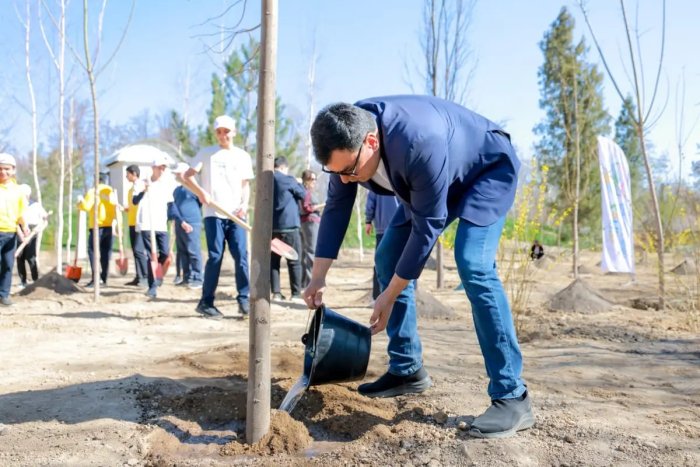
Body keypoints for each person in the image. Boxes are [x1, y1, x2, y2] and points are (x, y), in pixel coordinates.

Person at [305, 95, 532, 439]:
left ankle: (512, 395)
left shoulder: (418, 141)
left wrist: (389, 296)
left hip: (486, 172)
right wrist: (318, 276)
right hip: (437, 178)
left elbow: (428, 228)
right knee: (386, 256)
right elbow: (337, 208)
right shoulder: (346, 137)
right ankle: (407, 369)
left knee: (473, 264)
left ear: (371, 141)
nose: (347, 180)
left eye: (350, 170)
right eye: (337, 173)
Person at [183, 115, 254, 319]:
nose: (223, 135)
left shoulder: (242, 156)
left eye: (226, 131)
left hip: (236, 216)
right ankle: (206, 303)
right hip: (213, 213)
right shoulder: (206, 154)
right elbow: (186, 176)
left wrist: (243, 205)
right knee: (215, 256)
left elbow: (245, 184)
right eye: (219, 131)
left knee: (241, 256)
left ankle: (244, 299)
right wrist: (201, 192)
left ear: (234, 132)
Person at [132, 155, 174, 299]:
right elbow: (134, 201)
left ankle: (158, 275)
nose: (162, 170)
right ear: (153, 168)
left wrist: (179, 220)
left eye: (164, 167)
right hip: (146, 224)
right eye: (160, 167)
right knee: (152, 256)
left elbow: (170, 204)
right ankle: (152, 286)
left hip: (161, 224)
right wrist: (144, 190)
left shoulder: (166, 184)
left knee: (165, 253)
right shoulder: (142, 183)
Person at [270, 156, 305, 301]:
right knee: (294, 260)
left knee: (274, 262)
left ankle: (276, 293)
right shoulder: (289, 179)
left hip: (272, 228)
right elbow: (303, 194)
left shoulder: (267, 180)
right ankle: (296, 293)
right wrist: (299, 183)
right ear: (284, 167)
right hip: (289, 227)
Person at [77, 172, 117, 287]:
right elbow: (115, 208)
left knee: (92, 251)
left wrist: (80, 203)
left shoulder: (93, 191)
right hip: (108, 226)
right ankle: (103, 279)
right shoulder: (110, 192)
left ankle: (95, 279)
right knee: (105, 253)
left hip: (96, 226)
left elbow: (86, 207)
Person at [169, 162, 203, 289]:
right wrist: (180, 221)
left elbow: (200, 203)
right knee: (182, 251)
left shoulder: (194, 188)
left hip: (192, 222)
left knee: (193, 251)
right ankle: (187, 277)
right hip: (179, 223)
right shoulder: (177, 191)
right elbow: (173, 206)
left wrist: (189, 220)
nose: (176, 176)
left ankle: (197, 277)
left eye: (178, 173)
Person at [0, 153, 28, 306]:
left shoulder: (18, 191)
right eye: (0, 169)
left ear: (13, 170)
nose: (3, 172)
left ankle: (3, 295)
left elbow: (21, 212)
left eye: (6, 169)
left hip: (10, 233)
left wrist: (24, 226)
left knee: (8, 265)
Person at [364, 191, 400, 302]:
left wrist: (368, 220)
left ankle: (377, 297)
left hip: (383, 228)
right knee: (402, 263)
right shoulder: (404, 175)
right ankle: (400, 297)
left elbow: (371, 201)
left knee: (380, 264)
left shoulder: (377, 179)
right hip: (402, 227)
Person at [16, 184, 48, 288]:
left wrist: (39, 228)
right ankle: (23, 281)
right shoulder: (17, 205)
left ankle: (35, 280)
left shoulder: (36, 205)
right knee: (20, 257)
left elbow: (44, 219)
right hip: (19, 230)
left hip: (32, 232)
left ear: (28, 195)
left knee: (31, 257)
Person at [124, 165, 147, 286]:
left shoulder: (140, 185)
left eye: (127, 174)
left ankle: (145, 276)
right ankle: (138, 276)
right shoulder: (132, 188)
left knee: (139, 250)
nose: (126, 176)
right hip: (132, 222)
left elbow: (140, 201)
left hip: (139, 222)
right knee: (135, 251)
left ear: (134, 173)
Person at [299, 169, 322, 288]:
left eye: (315, 179)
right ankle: (310, 282)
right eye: (312, 179)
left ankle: (305, 282)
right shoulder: (306, 192)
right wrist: (320, 206)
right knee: (311, 253)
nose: (314, 181)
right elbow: (306, 208)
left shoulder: (307, 192)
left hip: (310, 223)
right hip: (310, 223)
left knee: (307, 253)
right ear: (306, 180)